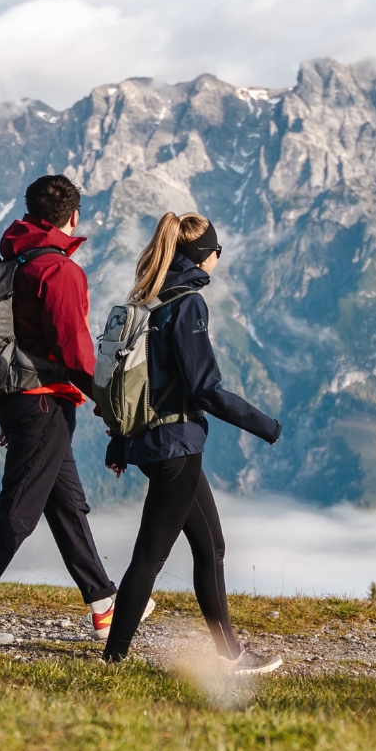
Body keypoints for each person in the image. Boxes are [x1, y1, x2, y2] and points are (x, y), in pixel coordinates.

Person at [0, 175, 130, 647]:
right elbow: (74, 349)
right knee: (19, 510)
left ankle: (104, 606)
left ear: (31, 211)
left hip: (20, 398)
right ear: (74, 216)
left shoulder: (14, 260)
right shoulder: (59, 270)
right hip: (44, 400)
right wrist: (110, 404)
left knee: (67, 506)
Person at [100, 213, 283, 674]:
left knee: (211, 547)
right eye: (219, 250)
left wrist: (121, 444)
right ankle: (114, 657)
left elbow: (134, 381)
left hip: (155, 442)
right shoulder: (188, 305)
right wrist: (264, 425)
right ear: (207, 255)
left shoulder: (149, 298)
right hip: (175, 444)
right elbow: (204, 387)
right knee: (151, 555)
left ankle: (230, 653)